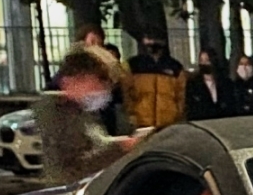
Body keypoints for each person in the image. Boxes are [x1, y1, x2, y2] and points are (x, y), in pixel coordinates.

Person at [36, 46, 135, 185]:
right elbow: (71, 168)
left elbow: (97, 145)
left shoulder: (83, 111)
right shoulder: (55, 111)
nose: (103, 89)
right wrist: (121, 147)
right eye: (99, 81)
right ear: (77, 79)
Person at [122, 26, 187, 132]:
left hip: (168, 123)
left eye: (155, 39)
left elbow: (181, 96)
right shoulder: (133, 65)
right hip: (141, 123)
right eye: (148, 39)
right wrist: (131, 115)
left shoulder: (175, 67)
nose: (151, 43)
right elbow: (126, 93)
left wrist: (176, 115)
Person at [186, 47, 228, 121]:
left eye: (207, 60)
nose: (204, 64)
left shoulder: (225, 83)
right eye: (201, 60)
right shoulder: (193, 84)